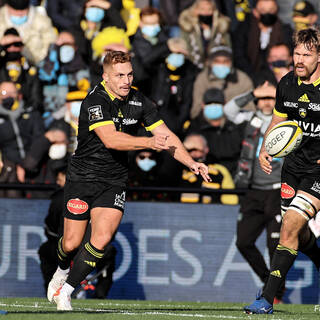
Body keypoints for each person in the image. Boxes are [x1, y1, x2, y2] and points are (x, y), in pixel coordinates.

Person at [47, 50, 211, 311]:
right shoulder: (94, 101)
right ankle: (61, 269)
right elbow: (111, 139)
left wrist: (192, 163)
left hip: (114, 180)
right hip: (83, 178)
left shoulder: (139, 101)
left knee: (102, 237)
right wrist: (148, 142)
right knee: (70, 243)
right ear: (106, 77)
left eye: (129, 74)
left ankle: (65, 291)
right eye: (119, 75)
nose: (126, 80)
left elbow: (166, 135)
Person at [244, 27, 320, 314]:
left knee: (288, 225)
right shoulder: (287, 83)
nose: (299, 59)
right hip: (292, 168)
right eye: (296, 53)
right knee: (297, 234)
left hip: (318, 172)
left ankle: (267, 298)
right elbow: (278, 119)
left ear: (319, 57)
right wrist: (266, 148)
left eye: (307, 54)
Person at [224, 80, 285, 303]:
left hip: (279, 190)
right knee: (243, 241)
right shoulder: (251, 118)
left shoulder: (286, 121)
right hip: (253, 191)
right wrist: (253, 92)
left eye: (271, 98)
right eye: (263, 98)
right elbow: (229, 110)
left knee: (275, 245)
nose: (267, 102)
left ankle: (275, 294)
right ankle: (269, 281)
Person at [186, 87, 246, 176]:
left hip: (234, 174)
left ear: (225, 104)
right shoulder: (194, 126)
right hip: (205, 173)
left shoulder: (235, 125)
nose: (213, 106)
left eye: (217, 103)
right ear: (202, 105)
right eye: (209, 103)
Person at [190, 45, 255, 119]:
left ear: (231, 62)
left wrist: (231, 109)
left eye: (225, 61)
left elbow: (250, 108)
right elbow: (196, 109)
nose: (221, 65)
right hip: (208, 123)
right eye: (217, 61)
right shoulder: (202, 79)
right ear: (210, 63)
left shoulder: (243, 79)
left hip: (234, 124)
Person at [233, 0, 293, 78]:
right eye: (263, 10)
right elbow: (238, 55)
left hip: (277, 75)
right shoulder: (245, 29)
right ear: (255, 12)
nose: (268, 13)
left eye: (271, 10)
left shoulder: (285, 30)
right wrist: (252, 75)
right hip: (247, 75)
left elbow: (289, 56)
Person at [180, 133, 238, 205]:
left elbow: (231, 200)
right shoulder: (178, 167)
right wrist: (182, 149)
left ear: (206, 149)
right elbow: (166, 172)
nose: (193, 152)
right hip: (179, 211)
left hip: (210, 212)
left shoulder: (219, 170)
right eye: (190, 150)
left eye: (197, 149)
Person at [178, 0, 231, 70]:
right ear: (195, 10)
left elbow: (227, 49)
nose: (206, 13)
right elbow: (185, 50)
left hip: (215, 67)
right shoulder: (187, 27)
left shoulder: (221, 27)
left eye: (209, 9)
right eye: (202, 9)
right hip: (192, 67)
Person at [0, 0, 57, 65]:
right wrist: (2, 45)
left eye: (22, 12)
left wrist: (25, 50)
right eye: (15, 12)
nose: (19, 15)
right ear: (7, 7)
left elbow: (50, 51)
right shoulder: (1, 19)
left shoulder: (42, 21)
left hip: (33, 69)